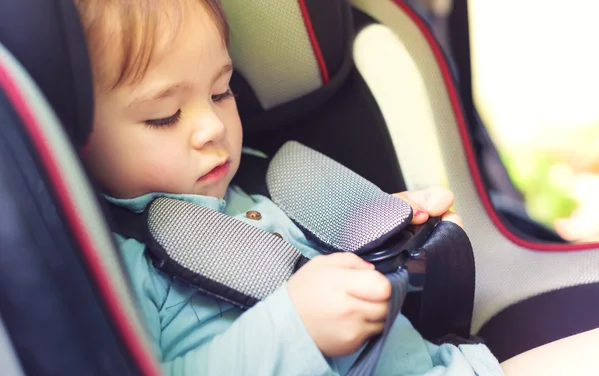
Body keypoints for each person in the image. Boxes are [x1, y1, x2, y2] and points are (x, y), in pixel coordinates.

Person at [74, 0, 504, 374]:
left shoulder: (270, 183)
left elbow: (385, 286)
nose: (212, 127)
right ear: (76, 136)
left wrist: (399, 238)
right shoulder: (110, 266)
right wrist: (294, 331)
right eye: (165, 116)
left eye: (222, 93)